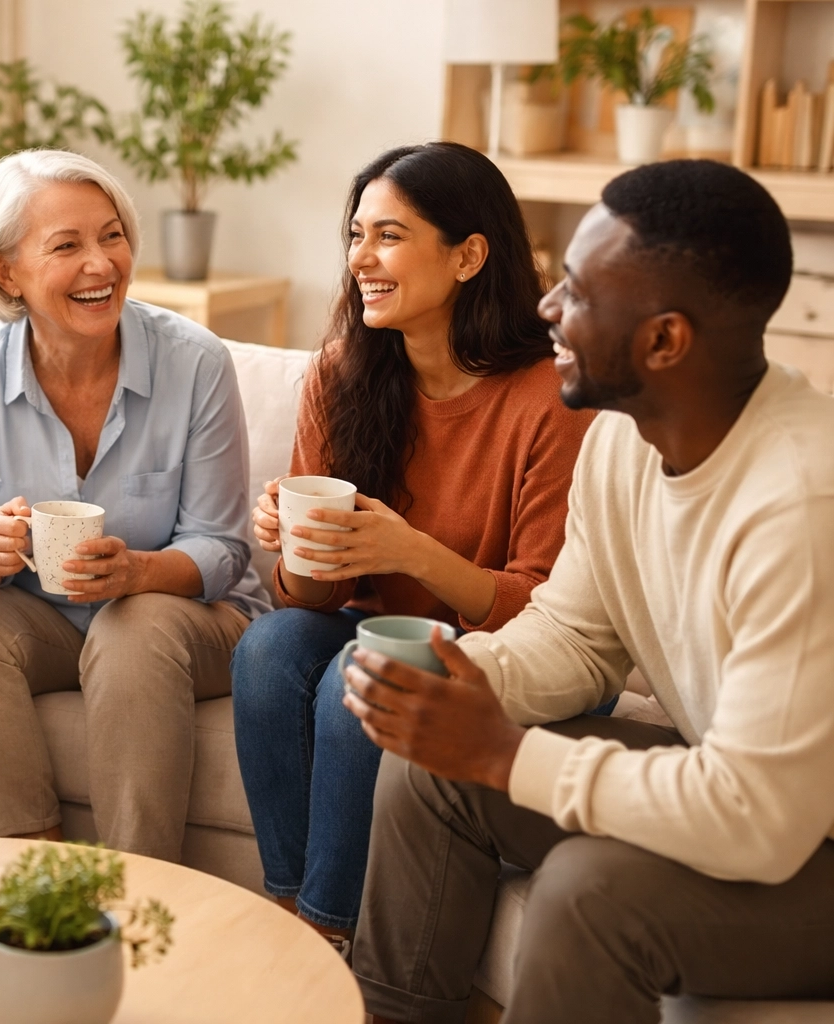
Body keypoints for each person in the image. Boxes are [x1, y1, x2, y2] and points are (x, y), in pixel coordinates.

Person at [346, 160, 834, 1024]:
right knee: (429, 771)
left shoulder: (800, 504)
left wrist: (502, 753)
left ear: (663, 341)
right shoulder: (622, 438)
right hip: (746, 788)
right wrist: (464, 678)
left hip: (805, 836)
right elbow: (575, 635)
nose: (546, 309)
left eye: (576, 291)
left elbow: (760, 817)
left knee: (588, 891)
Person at [230, 142, 594, 955]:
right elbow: (309, 601)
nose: (361, 259)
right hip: (372, 626)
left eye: (388, 236)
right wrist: (292, 548)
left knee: (363, 677)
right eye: (355, 236)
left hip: (503, 652)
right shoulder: (341, 375)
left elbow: (551, 614)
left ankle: (328, 936)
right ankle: (288, 912)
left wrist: (409, 550)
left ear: (468, 255)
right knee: (270, 645)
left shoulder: (549, 402)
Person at [0, 149, 271, 862]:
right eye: (67, 245)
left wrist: (137, 573)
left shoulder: (194, 361)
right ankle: (34, 866)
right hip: (43, 620)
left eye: (112, 236)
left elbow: (222, 551)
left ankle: (137, 887)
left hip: (190, 623)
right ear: (7, 270)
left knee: (131, 629)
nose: (102, 264)